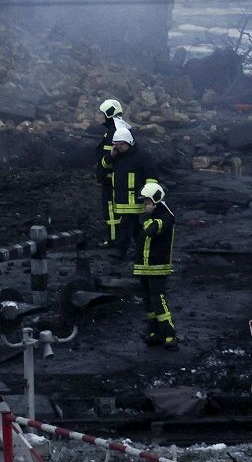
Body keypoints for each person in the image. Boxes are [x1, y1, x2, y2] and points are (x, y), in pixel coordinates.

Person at [103, 124, 158, 258]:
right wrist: (111, 155)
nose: (118, 147)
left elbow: (152, 177)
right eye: (116, 144)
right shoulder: (117, 155)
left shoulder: (142, 156)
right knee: (135, 229)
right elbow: (105, 165)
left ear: (129, 142)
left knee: (126, 228)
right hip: (121, 200)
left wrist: (149, 198)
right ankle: (145, 251)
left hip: (135, 200)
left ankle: (121, 253)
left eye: (121, 144)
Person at [134, 182, 177, 348]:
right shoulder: (153, 215)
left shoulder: (166, 216)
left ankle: (170, 335)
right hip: (144, 266)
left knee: (158, 300)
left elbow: (150, 230)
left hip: (157, 266)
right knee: (148, 301)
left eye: (146, 201)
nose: (144, 204)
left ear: (154, 200)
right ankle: (154, 332)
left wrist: (147, 216)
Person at [96, 99, 127, 246]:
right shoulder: (119, 129)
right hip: (115, 179)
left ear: (109, 114)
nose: (101, 116)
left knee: (110, 211)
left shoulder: (112, 133)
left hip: (111, 180)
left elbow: (110, 157)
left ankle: (113, 240)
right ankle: (118, 238)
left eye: (103, 114)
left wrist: (103, 172)